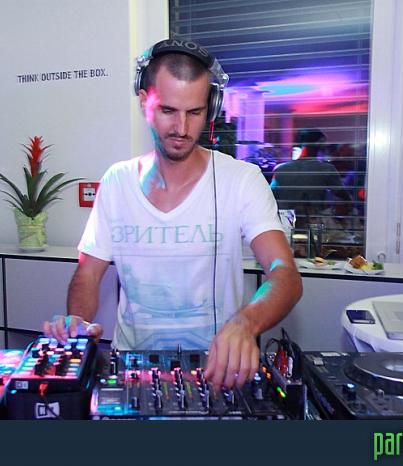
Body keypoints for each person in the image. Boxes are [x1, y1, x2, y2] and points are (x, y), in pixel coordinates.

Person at [44, 39, 302, 391]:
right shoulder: (117, 181)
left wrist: (246, 323)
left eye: (194, 112)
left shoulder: (241, 180)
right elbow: (88, 274)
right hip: (132, 370)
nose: (181, 127)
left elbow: (285, 274)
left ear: (210, 109)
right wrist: (77, 320)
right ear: (144, 102)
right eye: (168, 110)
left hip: (217, 370)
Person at [270, 129, 353, 230]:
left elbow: (270, 196)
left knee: (288, 238)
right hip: (314, 221)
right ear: (320, 145)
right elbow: (343, 196)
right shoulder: (326, 169)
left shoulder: (281, 169)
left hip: (286, 220)